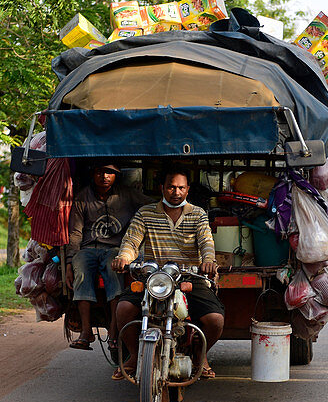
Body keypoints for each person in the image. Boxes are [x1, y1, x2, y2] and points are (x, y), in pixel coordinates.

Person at [111, 172, 222, 381]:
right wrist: (123, 258)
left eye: (181, 188)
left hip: (189, 276)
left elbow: (206, 242)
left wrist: (208, 261)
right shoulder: (145, 213)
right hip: (153, 276)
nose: (176, 192)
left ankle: (200, 355)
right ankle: (134, 357)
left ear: (188, 190)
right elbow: (131, 242)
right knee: (124, 308)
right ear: (162, 188)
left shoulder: (198, 214)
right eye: (171, 187)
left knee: (215, 320)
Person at [65, 163, 145, 351]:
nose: (104, 176)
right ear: (93, 173)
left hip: (116, 249)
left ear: (117, 175)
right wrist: (69, 262)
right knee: (81, 270)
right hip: (88, 248)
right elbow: (75, 233)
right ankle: (86, 332)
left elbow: (151, 205)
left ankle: (114, 332)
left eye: (109, 172)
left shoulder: (127, 194)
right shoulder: (82, 197)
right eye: (100, 171)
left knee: (113, 270)